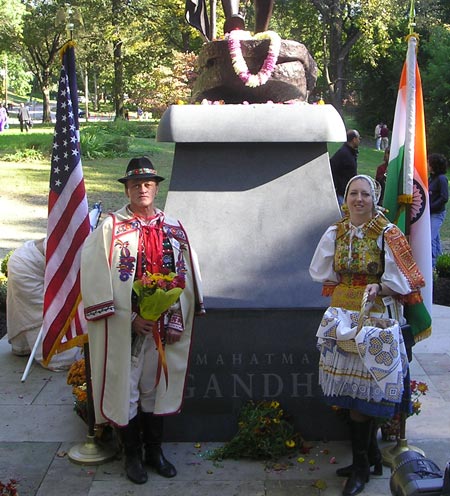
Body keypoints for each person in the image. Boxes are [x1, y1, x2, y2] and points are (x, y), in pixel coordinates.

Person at [80, 156, 204, 485]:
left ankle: (155, 452)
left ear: (156, 188)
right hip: (127, 327)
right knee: (126, 388)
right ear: (128, 189)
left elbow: (187, 276)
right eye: (136, 185)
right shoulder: (111, 227)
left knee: (155, 385)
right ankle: (131, 454)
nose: (143, 189)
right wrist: (130, 317)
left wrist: (176, 316)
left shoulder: (173, 226)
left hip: (163, 327)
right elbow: (94, 276)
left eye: (148, 184)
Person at [310, 174, 426, 496]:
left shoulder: (387, 233)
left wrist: (380, 286)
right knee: (352, 393)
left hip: (376, 319)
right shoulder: (337, 231)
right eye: (353, 194)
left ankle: (361, 468)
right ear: (345, 198)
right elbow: (321, 272)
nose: (358, 199)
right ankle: (371, 457)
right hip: (345, 316)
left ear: (374, 199)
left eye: (365, 194)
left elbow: (406, 280)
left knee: (365, 394)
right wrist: (346, 290)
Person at [6, 238, 80, 370]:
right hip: (28, 267)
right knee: (62, 359)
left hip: (47, 262)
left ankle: (24, 345)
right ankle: (36, 347)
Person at [330, 129, 361, 207]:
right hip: (342, 193)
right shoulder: (344, 153)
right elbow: (332, 168)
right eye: (359, 138)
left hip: (348, 192)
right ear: (354, 139)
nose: (359, 140)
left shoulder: (350, 153)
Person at [428, 153, 449, 268]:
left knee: (430, 238)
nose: (427, 165)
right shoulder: (431, 178)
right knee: (435, 239)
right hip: (430, 213)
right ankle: (439, 262)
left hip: (437, 213)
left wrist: (431, 207)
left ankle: (432, 265)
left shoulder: (441, 179)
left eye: (429, 163)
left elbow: (444, 197)